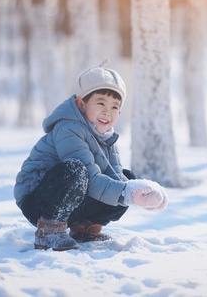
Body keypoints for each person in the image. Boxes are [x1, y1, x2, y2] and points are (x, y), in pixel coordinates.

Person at [14, 59, 168, 251]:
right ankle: (49, 230)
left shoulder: (107, 137)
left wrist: (138, 191)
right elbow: (90, 176)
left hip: (73, 195)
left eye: (114, 106)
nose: (107, 112)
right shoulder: (69, 128)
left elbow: (115, 177)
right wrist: (126, 194)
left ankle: (84, 227)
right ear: (80, 104)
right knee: (75, 170)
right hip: (38, 198)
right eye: (100, 103)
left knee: (126, 179)